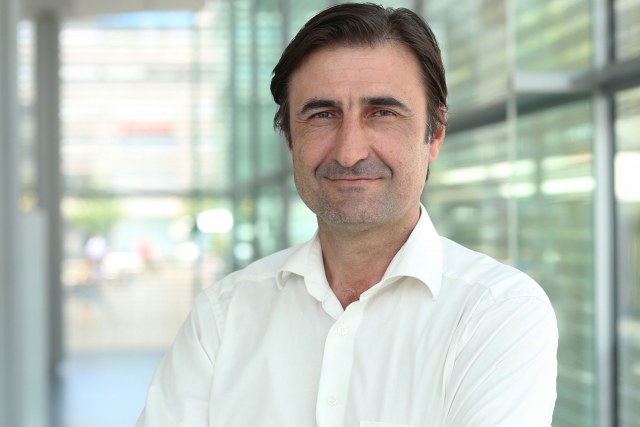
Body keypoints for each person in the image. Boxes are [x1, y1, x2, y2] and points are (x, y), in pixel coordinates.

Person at [137, 3, 558, 426]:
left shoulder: (498, 312)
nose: (349, 152)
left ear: (435, 135)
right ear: (290, 140)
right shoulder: (222, 317)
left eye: (383, 113)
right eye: (323, 115)